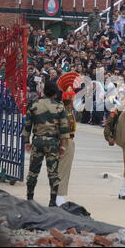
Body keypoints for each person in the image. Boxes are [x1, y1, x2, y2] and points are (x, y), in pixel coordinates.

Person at [22, 81, 69, 206]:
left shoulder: (34, 104)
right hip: (52, 142)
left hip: (37, 141)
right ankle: (52, 201)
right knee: (53, 172)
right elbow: (64, 128)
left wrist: (27, 141)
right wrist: (63, 145)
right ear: (54, 93)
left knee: (33, 171)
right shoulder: (59, 106)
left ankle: (29, 199)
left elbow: (27, 126)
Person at [56, 73, 79, 206]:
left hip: (67, 141)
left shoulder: (67, 110)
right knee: (63, 170)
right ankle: (60, 198)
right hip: (66, 141)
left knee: (62, 169)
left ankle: (58, 196)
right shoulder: (66, 112)